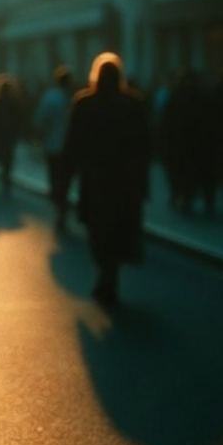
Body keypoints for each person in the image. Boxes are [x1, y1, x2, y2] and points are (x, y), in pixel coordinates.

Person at [62, 53, 151, 308]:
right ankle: (110, 275)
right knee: (118, 230)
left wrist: (65, 178)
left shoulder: (84, 103)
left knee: (96, 229)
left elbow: (72, 144)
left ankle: (105, 273)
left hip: (95, 180)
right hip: (124, 182)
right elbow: (144, 146)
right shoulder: (133, 104)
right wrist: (142, 183)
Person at [32, 66, 76, 232]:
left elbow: (40, 120)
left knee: (54, 180)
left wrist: (38, 138)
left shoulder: (50, 98)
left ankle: (60, 206)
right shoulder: (74, 99)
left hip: (53, 147)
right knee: (65, 180)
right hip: (69, 148)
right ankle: (62, 205)